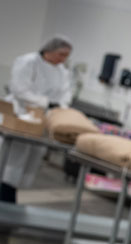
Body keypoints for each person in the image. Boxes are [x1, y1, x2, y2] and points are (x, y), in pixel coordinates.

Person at [1, 36, 73, 203]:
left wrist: (60, 106)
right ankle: (5, 196)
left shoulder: (63, 71)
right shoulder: (28, 62)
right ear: (49, 50)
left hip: (42, 119)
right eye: (61, 54)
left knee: (29, 161)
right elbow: (19, 89)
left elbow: (66, 93)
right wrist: (46, 102)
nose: (63, 59)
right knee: (10, 159)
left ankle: (9, 197)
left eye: (66, 56)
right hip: (20, 114)